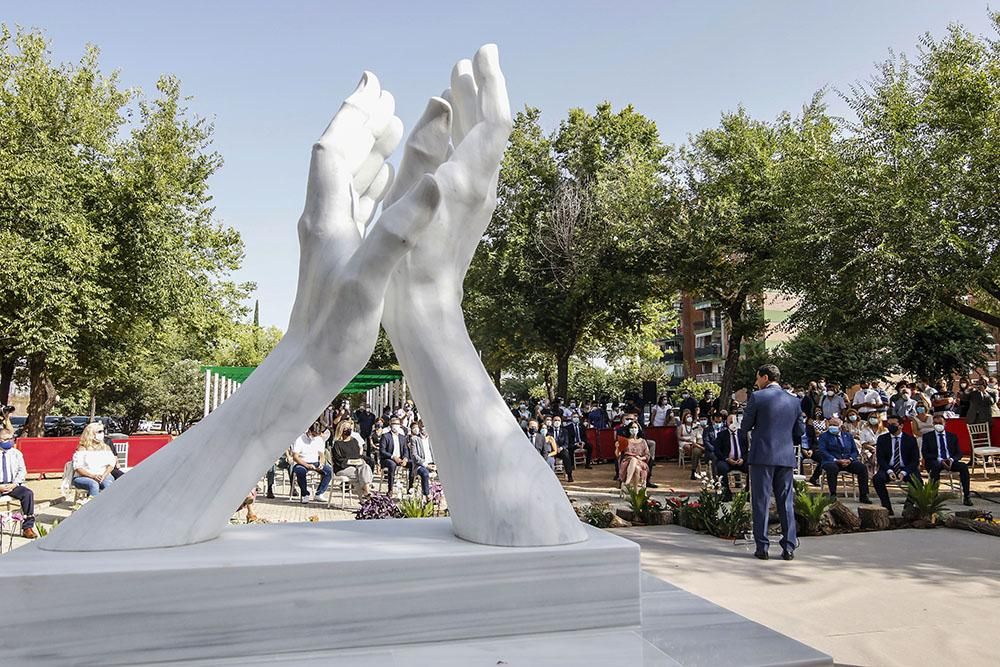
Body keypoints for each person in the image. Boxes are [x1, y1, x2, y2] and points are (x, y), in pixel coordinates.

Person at [741, 365, 802, 561]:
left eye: (757, 378)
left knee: (761, 501)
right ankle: (789, 547)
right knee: (786, 501)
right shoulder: (794, 400)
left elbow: (745, 426)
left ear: (765, 377)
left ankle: (762, 547)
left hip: (762, 455)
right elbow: (799, 431)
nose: (756, 381)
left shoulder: (757, 397)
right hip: (785, 456)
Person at [871, 415, 921, 515]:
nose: (890, 426)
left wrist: (904, 472)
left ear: (901, 426)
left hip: (906, 468)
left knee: (918, 482)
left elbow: (915, 460)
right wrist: (889, 471)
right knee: (877, 479)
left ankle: (908, 506)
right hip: (889, 468)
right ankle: (887, 506)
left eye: (893, 424)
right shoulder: (882, 439)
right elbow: (880, 459)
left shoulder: (910, 439)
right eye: (888, 424)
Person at [922, 415, 974, 507]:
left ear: (945, 424)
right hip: (936, 461)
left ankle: (967, 496)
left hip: (950, 461)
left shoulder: (952, 436)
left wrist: (951, 459)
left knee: (964, 467)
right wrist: (940, 460)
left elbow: (959, 453)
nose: (938, 425)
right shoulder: (927, 436)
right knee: (935, 467)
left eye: (940, 423)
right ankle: (933, 497)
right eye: (935, 423)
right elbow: (925, 453)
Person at [817, 417, 872, 503]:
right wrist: (836, 460)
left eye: (834, 425)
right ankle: (833, 495)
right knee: (832, 468)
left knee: (862, 468)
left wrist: (850, 459)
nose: (832, 426)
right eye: (830, 425)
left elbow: (854, 450)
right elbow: (822, 451)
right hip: (831, 461)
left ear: (840, 425)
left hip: (847, 461)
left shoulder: (848, 436)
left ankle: (864, 495)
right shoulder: (824, 436)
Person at [0, 428, 37, 538]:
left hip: (13, 484)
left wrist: (15, 484)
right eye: (6, 439)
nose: (10, 441)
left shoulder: (16, 453)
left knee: (28, 494)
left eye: (11, 438)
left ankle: (27, 527)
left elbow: (22, 470)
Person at [290, 421, 334, 503]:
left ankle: (319, 493)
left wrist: (321, 463)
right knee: (300, 471)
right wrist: (306, 465)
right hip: (302, 462)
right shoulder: (299, 439)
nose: (314, 437)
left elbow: (321, 455)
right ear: (309, 431)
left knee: (329, 471)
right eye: (313, 435)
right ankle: (305, 494)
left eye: (316, 435)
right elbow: (295, 457)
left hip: (315, 462)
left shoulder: (319, 439)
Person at [72, 422, 117, 500]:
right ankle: (93, 508)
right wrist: (92, 476)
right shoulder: (82, 448)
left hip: (103, 475)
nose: (102, 434)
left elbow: (111, 464)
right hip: (84, 477)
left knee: (108, 484)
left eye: (103, 431)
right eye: (99, 432)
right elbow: (78, 468)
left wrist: (104, 475)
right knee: (93, 484)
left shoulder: (106, 447)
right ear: (91, 433)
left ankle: (109, 506)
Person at [331, 420, 374, 498]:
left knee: (366, 467)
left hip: (356, 466)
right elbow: (338, 460)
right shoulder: (337, 444)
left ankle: (365, 492)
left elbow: (357, 455)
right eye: (346, 428)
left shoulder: (354, 441)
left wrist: (360, 460)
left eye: (349, 428)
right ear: (341, 430)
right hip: (342, 468)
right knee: (361, 474)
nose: (349, 430)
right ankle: (366, 491)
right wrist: (351, 461)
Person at [716, 415, 749, 501]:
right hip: (727, 461)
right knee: (721, 467)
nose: (732, 424)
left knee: (750, 467)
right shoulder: (721, 434)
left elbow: (747, 450)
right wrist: (726, 459)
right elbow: (717, 450)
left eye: (734, 421)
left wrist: (743, 459)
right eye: (730, 422)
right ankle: (727, 494)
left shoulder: (743, 434)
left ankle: (747, 493)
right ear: (726, 423)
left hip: (741, 461)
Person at [378, 417, 413, 493]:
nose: (395, 426)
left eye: (397, 424)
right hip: (388, 459)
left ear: (400, 425)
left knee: (412, 464)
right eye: (393, 424)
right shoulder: (385, 436)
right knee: (392, 465)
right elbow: (382, 451)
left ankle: (410, 488)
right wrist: (393, 457)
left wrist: (405, 458)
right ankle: (390, 490)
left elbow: (405, 450)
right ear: (390, 425)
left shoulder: (402, 437)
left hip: (400, 459)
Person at [617, 423, 650, 488]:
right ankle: (635, 491)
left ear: (638, 429)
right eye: (631, 428)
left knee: (635, 461)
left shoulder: (643, 441)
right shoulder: (625, 441)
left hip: (640, 461)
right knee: (636, 468)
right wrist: (617, 447)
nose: (633, 429)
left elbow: (647, 455)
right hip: (627, 461)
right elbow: (618, 455)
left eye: (635, 428)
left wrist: (640, 458)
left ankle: (627, 482)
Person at [676, 410, 704, 480]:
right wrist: (686, 440)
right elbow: (679, 436)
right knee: (688, 447)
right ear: (684, 418)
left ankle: (694, 461)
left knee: (694, 447)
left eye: (690, 416)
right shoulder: (681, 426)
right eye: (687, 417)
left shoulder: (695, 426)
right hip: (684, 441)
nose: (689, 418)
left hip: (694, 441)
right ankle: (694, 462)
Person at [406, 424, 432, 495]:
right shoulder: (414, 439)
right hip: (420, 464)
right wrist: (425, 465)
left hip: (432, 463)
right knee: (425, 474)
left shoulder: (432, 438)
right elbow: (414, 456)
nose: (424, 428)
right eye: (422, 426)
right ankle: (427, 496)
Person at [702, 411, 726, 477]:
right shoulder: (707, 430)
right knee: (715, 458)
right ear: (712, 420)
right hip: (711, 452)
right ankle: (716, 479)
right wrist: (715, 450)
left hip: (723, 451)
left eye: (719, 422)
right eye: (716, 422)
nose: (718, 424)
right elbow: (706, 442)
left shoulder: (725, 430)